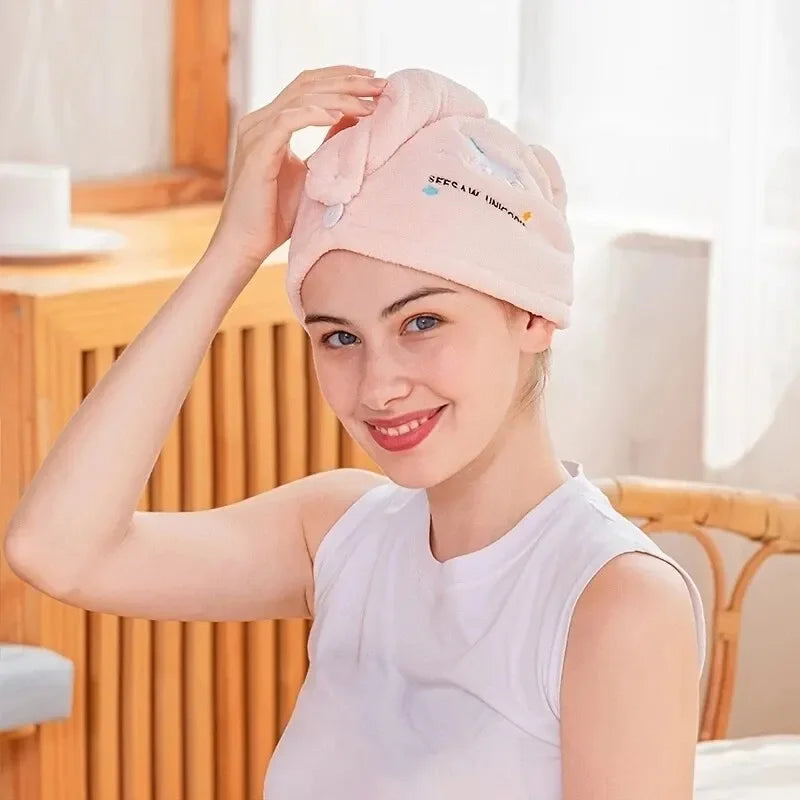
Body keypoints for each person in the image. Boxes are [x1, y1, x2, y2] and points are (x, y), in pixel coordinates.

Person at [3, 65, 706, 799]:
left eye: (422, 322)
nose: (377, 386)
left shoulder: (615, 602)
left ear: (533, 314)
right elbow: (56, 550)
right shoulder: (342, 535)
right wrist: (233, 252)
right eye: (339, 337)